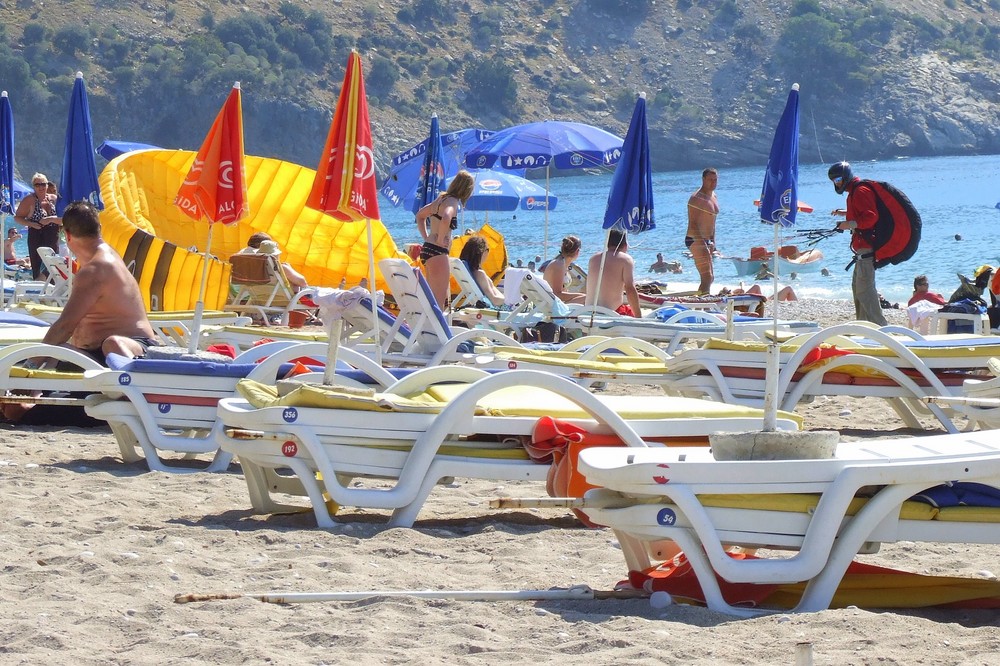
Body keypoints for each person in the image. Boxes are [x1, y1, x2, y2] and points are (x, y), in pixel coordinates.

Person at [40, 201, 159, 363]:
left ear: (67, 235)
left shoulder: (96, 268)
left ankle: (134, 381)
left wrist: (30, 364)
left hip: (131, 350)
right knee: (55, 353)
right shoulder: (103, 258)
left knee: (112, 344)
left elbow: (65, 326)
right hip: (94, 355)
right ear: (100, 229)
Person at [828, 161, 888, 326]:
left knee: (865, 291)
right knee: (857, 290)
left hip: (867, 249)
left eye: (838, 179)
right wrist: (845, 214)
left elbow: (871, 217)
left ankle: (882, 329)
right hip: (861, 252)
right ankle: (864, 328)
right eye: (834, 181)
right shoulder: (853, 193)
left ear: (846, 176)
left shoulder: (860, 190)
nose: (837, 183)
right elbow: (860, 213)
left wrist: (848, 224)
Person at [416, 170, 475, 308]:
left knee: (431, 298)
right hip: (438, 252)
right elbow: (446, 218)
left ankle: (428, 327)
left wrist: (427, 237)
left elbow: (420, 216)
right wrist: (441, 239)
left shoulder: (440, 199)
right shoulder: (452, 202)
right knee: (439, 301)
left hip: (428, 249)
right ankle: (437, 328)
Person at [12, 172, 61, 279]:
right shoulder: (29, 200)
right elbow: (17, 217)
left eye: (43, 184)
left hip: (53, 236)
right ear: (33, 186)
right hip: (37, 236)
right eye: (37, 185)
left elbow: (63, 218)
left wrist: (50, 219)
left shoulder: (54, 199)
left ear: (47, 185)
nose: (41, 187)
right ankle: (39, 289)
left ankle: (51, 291)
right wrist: (31, 224)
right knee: (38, 266)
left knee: (54, 265)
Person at [586, 229, 641, 317]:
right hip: (611, 313)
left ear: (607, 244)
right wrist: (639, 317)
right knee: (631, 313)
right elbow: (630, 289)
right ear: (625, 245)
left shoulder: (593, 259)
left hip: (588, 311)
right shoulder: (626, 259)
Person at [686, 168, 720, 295]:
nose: (713, 182)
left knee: (710, 277)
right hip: (695, 238)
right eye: (710, 180)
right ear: (703, 180)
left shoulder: (714, 196)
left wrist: (713, 242)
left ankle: (702, 299)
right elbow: (693, 223)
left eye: (715, 180)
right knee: (706, 277)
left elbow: (712, 222)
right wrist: (702, 244)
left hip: (707, 240)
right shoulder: (696, 199)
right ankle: (703, 305)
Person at [236, 232, 308, 288]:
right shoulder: (279, 268)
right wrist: (288, 268)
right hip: (280, 299)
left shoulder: (248, 266)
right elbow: (302, 282)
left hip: (256, 296)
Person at [458, 235, 504, 306]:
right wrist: (509, 301)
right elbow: (494, 300)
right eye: (487, 249)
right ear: (482, 252)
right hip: (502, 307)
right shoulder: (479, 274)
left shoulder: (471, 272)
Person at [541, 235, 585, 304]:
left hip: (556, 302)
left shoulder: (561, 263)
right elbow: (557, 294)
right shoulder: (559, 265)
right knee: (587, 298)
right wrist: (581, 295)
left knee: (587, 298)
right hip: (554, 305)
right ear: (577, 251)